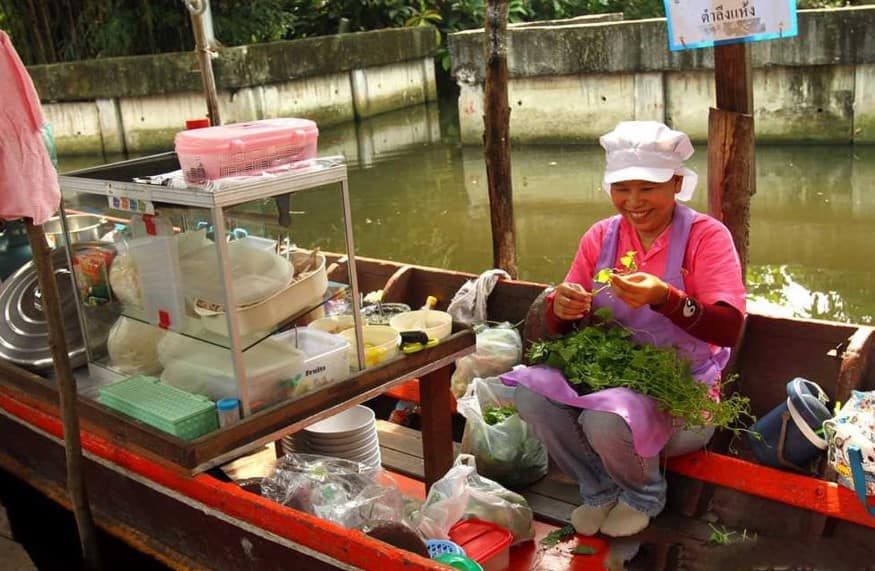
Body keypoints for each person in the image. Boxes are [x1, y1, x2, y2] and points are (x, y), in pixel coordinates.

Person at [507, 121, 746, 537]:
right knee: (531, 394)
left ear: (675, 184)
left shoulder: (706, 238)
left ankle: (643, 495)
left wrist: (666, 298)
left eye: (647, 188)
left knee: (605, 419)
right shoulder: (601, 237)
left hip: (682, 394)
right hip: (609, 381)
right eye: (622, 188)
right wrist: (561, 309)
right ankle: (599, 490)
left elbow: (729, 329)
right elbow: (560, 322)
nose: (633, 202)